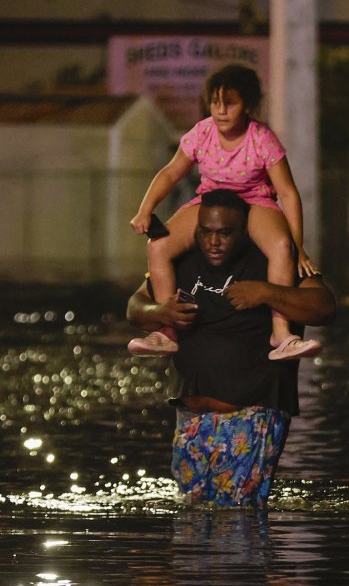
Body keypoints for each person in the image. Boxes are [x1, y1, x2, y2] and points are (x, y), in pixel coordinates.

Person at [126, 189, 336, 508]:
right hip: (192, 417)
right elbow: (136, 305)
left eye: (225, 233)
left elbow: (323, 306)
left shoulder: (275, 260)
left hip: (251, 414)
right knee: (192, 514)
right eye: (206, 231)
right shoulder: (180, 259)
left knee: (237, 518)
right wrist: (160, 313)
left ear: (245, 232)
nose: (214, 241)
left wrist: (267, 293)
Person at [129, 64, 319, 361]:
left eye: (229, 102)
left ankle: (280, 332)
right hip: (211, 202)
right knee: (158, 245)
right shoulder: (202, 132)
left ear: (248, 105)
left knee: (282, 247)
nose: (221, 110)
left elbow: (287, 193)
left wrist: (300, 247)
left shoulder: (262, 138)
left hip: (253, 201)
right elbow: (170, 173)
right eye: (215, 102)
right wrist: (145, 209)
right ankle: (167, 331)